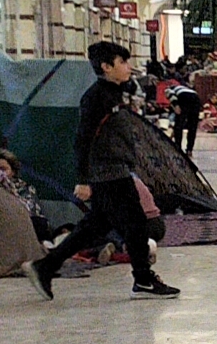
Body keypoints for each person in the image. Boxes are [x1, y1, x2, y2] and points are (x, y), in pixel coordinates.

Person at [24, 42, 180, 299]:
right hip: (107, 173)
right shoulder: (96, 98)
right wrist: (83, 179)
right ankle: (142, 279)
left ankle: (45, 267)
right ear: (106, 67)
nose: (128, 67)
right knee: (136, 224)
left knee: (94, 226)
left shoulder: (114, 93)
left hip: (115, 169)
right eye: (122, 62)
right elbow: (83, 138)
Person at [169, 82, 202, 156]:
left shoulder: (171, 88)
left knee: (179, 125)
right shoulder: (188, 89)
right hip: (196, 98)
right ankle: (189, 149)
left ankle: (178, 148)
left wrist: (176, 105)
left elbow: (171, 95)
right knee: (192, 126)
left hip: (184, 98)